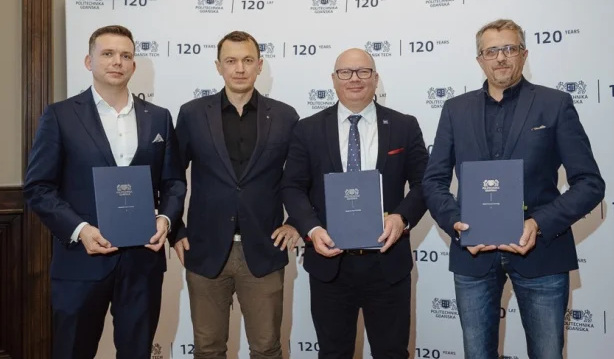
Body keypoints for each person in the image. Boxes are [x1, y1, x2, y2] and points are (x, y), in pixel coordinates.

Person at [423, 18, 605, 359]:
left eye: (509, 48)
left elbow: (590, 183)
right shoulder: (455, 109)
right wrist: (456, 224)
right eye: (491, 51)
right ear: (480, 59)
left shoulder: (555, 104)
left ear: (524, 54)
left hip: (542, 254)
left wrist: (538, 223)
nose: (501, 58)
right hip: (472, 256)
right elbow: (433, 180)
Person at [23, 25, 186, 359]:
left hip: (142, 261)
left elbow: (173, 182)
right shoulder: (60, 115)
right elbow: (38, 187)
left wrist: (166, 220)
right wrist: (80, 229)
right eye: (108, 54)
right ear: (89, 61)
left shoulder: (158, 118)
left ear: (134, 65)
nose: (117, 61)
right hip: (81, 261)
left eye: (125, 55)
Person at [281, 48, 429, 358]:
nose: (355, 79)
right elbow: (292, 186)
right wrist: (312, 229)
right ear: (334, 79)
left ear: (375, 78)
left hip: (387, 262)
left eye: (363, 71)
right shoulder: (307, 129)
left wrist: (401, 218)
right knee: (333, 353)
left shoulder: (404, 126)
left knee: (391, 353)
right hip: (329, 262)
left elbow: (423, 184)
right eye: (345, 72)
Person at [173, 30, 300, 359]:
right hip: (204, 249)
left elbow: (302, 178)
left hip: (265, 249)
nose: (239, 68)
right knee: (208, 349)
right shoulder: (192, 114)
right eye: (231, 61)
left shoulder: (285, 116)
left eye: (247, 60)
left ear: (260, 65)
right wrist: (175, 229)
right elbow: (170, 176)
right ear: (218, 66)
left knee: (266, 348)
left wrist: (297, 223)